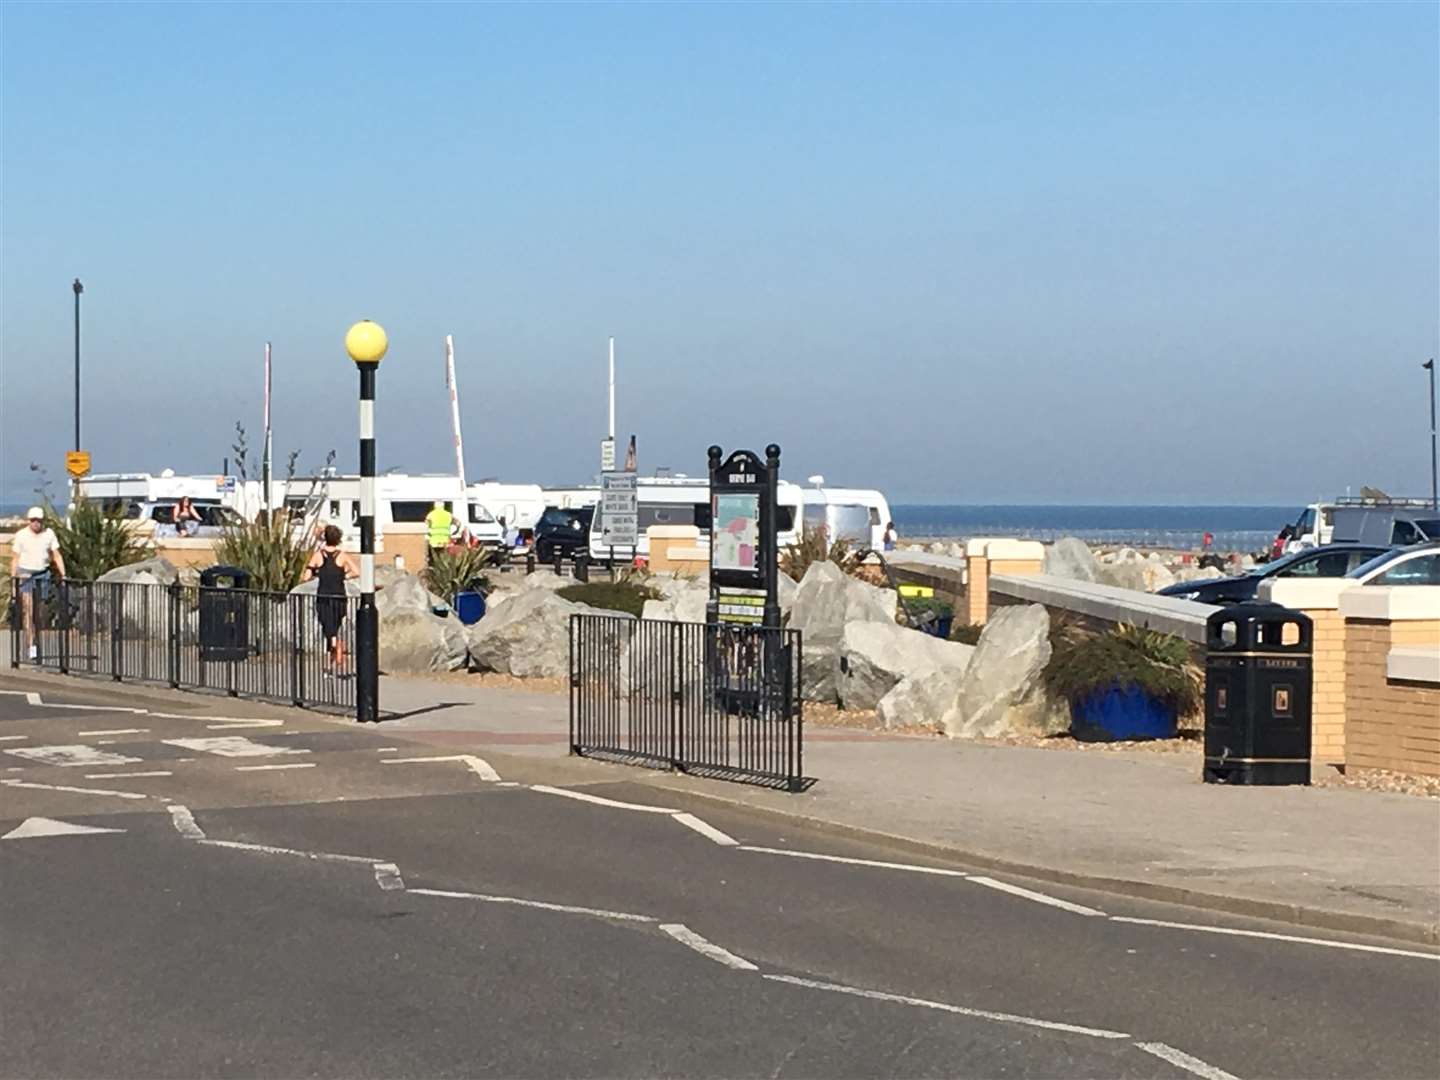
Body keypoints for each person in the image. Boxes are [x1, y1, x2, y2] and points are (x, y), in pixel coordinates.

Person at [9, 506, 66, 662]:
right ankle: (31, 645)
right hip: (25, 573)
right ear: (29, 521)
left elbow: (56, 555)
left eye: (38, 520)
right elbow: (15, 558)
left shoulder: (49, 534)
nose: (36, 523)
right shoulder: (21, 535)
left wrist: (63, 574)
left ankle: (37, 638)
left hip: (42, 573)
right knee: (28, 610)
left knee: (39, 610)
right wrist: (14, 580)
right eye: (33, 520)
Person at [305, 524, 358, 671]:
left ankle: (335, 645)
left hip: (324, 597)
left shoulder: (318, 555)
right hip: (339, 596)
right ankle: (330, 661)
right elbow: (356, 571)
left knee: (327, 628)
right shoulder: (342, 555)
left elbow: (306, 576)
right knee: (334, 625)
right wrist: (344, 575)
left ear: (325, 538)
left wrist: (315, 573)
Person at [424, 501, 453, 565]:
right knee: (444, 560)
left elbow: (426, 524)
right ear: (443, 506)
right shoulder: (448, 514)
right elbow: (458, 523)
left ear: (435, 506)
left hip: (434, 540)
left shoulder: (431, 514)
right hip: (445, 540)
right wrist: (455, 531)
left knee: (433, 558)